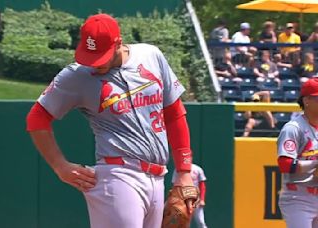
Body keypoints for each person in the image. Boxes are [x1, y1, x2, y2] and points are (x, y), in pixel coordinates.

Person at [25, 14, 198, 228]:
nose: (94, 63)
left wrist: (183, 171)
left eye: (100, 55)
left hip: (157, 176)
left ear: (118, 43)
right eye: (90, 54)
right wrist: (60, 166)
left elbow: (174, 113)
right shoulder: (77, 76)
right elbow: (37, 118)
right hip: (117, 175)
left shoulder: (151, 56)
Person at [277, 78, 318, 228]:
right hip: (298, 197)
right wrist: (315, 164)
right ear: (307, 100)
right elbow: (285, 164)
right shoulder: (293, 128)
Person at [172, 164, 208, 228]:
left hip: (196, 199)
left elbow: (202, 185)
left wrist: (202, 199)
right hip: (183, 199)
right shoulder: (177, 170)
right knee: (185, 222)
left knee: (201, 221)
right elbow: (175, 185)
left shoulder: (197, 169)